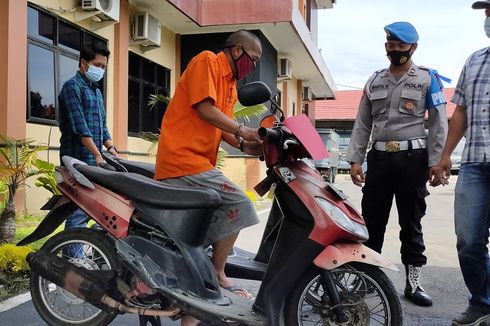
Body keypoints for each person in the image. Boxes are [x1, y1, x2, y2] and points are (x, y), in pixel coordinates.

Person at [154, 30, 262, 325]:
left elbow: (222, 128)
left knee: (211, 222)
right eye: (253, 60)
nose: (252, 68)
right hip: (182, 161)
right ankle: (215, 272)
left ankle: (197, 281)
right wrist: (243, 131)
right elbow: (204, 109)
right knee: (239, 203)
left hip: (198, 164)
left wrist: (248, 144)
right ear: (237, 50)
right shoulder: (207, 62)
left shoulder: (230, 84)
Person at [346, 22, 448, 307]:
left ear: (413, 48)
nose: (395, 51)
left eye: (400, 47)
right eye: (390, 46)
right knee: (371, 223)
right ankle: (367, 279)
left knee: (411, 223)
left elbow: (439, 122)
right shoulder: (375, 80)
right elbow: (363, 122)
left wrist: (437, 162)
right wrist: (355, 158)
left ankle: (413, 284)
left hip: (412, 159)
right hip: (378, 159)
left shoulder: (429, 79)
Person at [434, 2, 490, 324]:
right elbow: (461, 113)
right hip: (473, 164)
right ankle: (481, 302)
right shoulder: (474, 61)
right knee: (469, 241)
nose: (488, 19)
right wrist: (444, 157)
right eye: (487, 13)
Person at [58, 44, 118, 256]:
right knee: (78, 211)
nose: (100, 70)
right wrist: (97, 154)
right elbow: (79, 126)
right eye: (97, 65)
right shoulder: (71, 87)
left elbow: (102, 126)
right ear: (84, 64)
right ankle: (72, 264)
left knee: (102, 211)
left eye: (103, 66)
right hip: (76, 160)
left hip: (95, 163)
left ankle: (91, 253)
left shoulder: (96, 92)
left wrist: (111, 148)